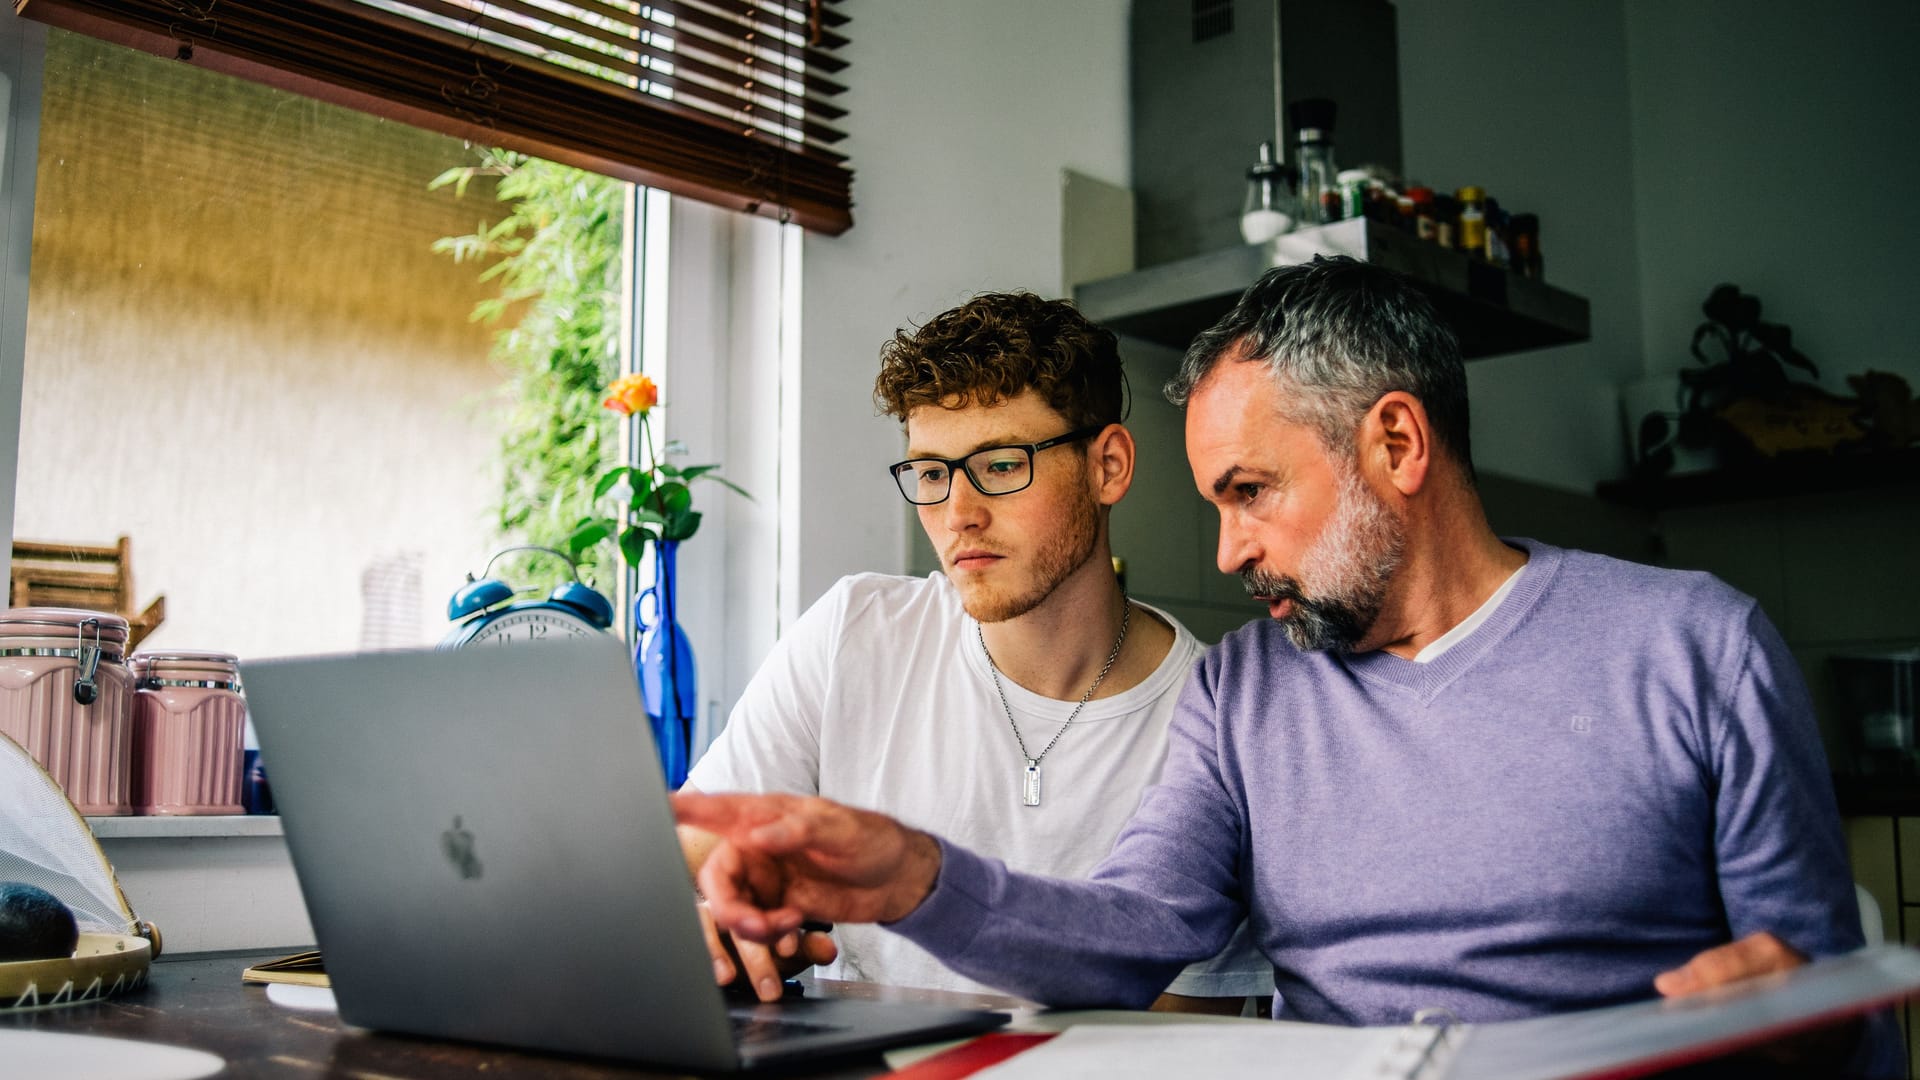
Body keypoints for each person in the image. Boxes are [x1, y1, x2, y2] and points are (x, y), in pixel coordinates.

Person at [678, 258, 1898, 1073]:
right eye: (1216, 499)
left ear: (1399, 443)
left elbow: (1829, 1007)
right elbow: (1131, 931)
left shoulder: (1698, 648)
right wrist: (913, 875)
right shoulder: (1246, 690)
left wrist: (1783, 1030)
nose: (1226, 547)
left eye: (1252, 493)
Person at [677, 291, 1269, 1010]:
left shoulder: (1214, 716)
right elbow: (689, 859)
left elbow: (1179, 1040)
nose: (958, 514)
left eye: (999, 464)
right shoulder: (852, 631)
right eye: (931, 473)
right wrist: (710, 922)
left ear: (1107, 466)